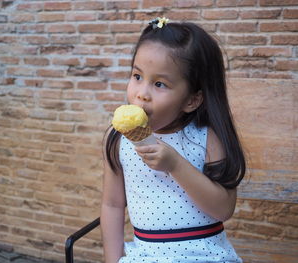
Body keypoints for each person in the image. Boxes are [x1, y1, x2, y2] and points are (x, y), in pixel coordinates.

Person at [101, 17, 246, 263]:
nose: (141, 94)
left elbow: (224, 209)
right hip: (146, 256)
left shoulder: (205, 137)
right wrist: (112, 261)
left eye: (159, 84)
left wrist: (176, 165)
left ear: (192, 100)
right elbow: (113, 205)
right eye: (137, 76)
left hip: (204, 255)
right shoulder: (118, 139)